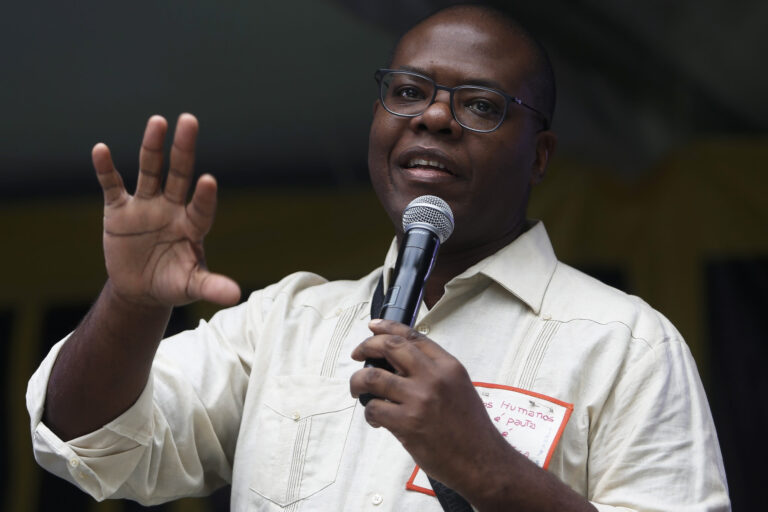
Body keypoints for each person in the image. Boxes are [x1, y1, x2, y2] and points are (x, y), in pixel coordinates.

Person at [27, 4, 730, 511]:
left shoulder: (628, 347)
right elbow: (95, 446)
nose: (432, 117)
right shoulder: (285, 324)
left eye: (480, 105)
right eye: (408, 91)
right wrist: (132, 303)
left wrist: (490, 471)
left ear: (541, 155)